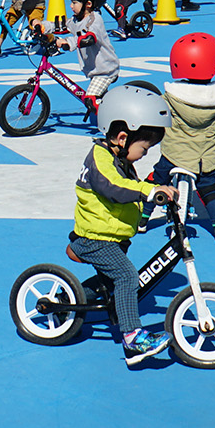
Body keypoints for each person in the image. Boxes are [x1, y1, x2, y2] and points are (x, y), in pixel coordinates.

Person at [67, 84, 179, 367]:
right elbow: (115, 188)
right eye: (144, 148)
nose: (144, 154)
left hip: (110, 238)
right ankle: (133, 339)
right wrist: (147, 191)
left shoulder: (118, 157)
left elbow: (132, 187)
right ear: (121, 136)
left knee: (109, 284)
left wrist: (158, 190)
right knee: (128, 277)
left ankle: (66, 300)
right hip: (94, 239)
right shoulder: (100, 159)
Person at [153, 31, 215, 243]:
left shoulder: (171, 97)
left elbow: (158, 111)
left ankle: (143, 219)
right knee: (210, 188)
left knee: (157, 180)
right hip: (204, 159)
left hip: (174, 155)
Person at [55, 0, 121, 104]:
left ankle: (111, 120)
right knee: (101, 100)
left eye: (74, 2)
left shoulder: (95, 20)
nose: (71, 6)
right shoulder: (77, 19)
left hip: (105, 70)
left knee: (90, 100)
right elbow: (62, 26)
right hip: (94, 69)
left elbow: (88, 38)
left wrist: (68, 43)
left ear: (88, 3)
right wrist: (42, 26)